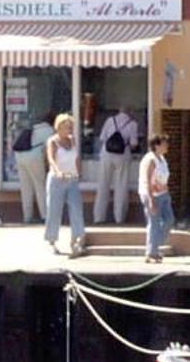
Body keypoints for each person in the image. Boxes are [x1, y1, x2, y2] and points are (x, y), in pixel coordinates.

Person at [43, 112, 86, 256]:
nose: (69, 130)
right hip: (57, 180)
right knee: (54, 210)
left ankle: (76, 240)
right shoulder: (53, 141)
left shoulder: (72, 140)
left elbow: (76, 157)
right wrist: (57, 171)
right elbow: (51, 158)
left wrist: (79, 171)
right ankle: (52, 241)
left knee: (76, 209)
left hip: (72, 178)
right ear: (59, 127)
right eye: (66, 127)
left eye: (70, 127)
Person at [93, 104, 140, 223]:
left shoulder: (110, 120)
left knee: (103, 184)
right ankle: (119, 217)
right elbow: (134, 143)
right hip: (123, 155)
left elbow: (102, 138)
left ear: (119, 110)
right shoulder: (133, 124)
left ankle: (99, 217)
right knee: (121, 186)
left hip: (106, 154)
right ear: (130, 112)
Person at [139, 133, 172, 263]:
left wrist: (167, 190)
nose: (167, 146)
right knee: (154, 223)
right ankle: (151, 252)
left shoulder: (162, 159)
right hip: (152, 195)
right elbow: (148, 180)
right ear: (156, 145)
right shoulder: (150, 159)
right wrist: (151, 199)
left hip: (163, 194)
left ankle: (155, 245)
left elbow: (163, 177)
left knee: (169, 219)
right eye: (164, 143)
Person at [12, 121, 51, 222]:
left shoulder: (34, 128)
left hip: (19, 156)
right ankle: (45, 216)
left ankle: (27, 217)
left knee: (26, 188)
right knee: (40, 186)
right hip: (35, 157)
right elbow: (50, 149)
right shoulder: (49, 130)